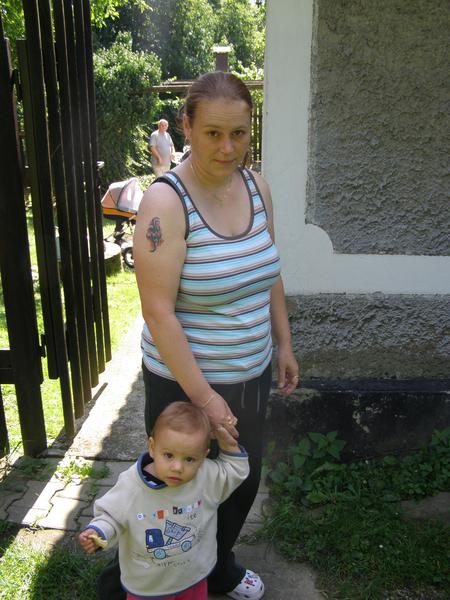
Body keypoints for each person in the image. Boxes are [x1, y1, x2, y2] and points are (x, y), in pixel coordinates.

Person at [104, 70, 298, 600]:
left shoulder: (257, 188)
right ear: (186, 126)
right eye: (213, 133)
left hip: (251, 372)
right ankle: (133, 581)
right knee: (175, 494)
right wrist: (206, 398)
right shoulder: (165, 204)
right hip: (185, 383)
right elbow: (158, 312)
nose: (228, 147)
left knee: (241, 480)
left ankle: (216, 569)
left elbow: (269, 270)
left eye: (239, 133)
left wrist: (283, 343)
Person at [80, 402, 249, 600]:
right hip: (148, 586)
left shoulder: (205, 477)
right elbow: (111, 516)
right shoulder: (133, 485)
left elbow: (233, 472)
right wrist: (99, 532)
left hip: (193, 577)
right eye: (168, 455)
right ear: (152, 447)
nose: (177, 467)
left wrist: (229, 446)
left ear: (204, 456)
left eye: (189, 459)